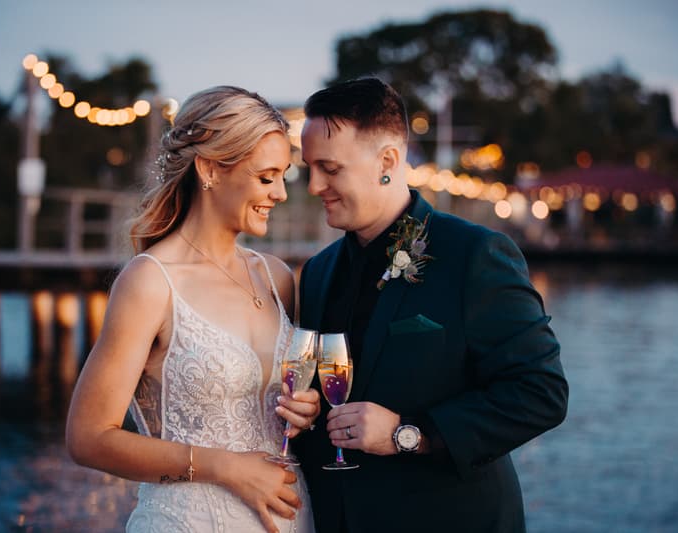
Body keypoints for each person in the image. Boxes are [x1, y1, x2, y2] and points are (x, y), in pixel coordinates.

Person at [294, 77, 568, 532]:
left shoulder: (475, 255)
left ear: (387, 161)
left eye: (329, 168)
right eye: (309, 168)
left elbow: (541, 394)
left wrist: (408, 434)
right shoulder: (318, 272)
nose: (314, 184)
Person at [66, 86, 320, 533]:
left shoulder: (278, 278)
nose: (280, 193)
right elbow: (88, 438)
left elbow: (279, 411)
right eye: (266, 177)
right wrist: (226, 467)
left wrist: (306, 412)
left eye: (284, 176)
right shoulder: (151, 281)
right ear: (209, 169)